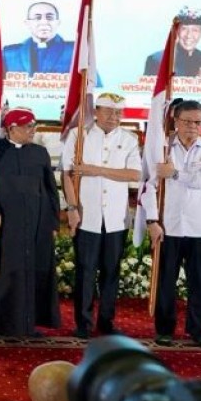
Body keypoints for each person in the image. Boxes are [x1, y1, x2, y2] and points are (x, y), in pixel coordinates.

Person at [141, 99, 201, 348]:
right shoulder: (162, 149)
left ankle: (197, 330)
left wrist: (177, 174)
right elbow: (149, 187)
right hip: (169, 226)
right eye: (186, 121)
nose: (192, 126)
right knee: (167, 281)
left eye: (197, 122)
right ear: (175, 121)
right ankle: (164, 330)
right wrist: (152, 220)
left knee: (199, 282)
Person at [0, 106, 60, 337]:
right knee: (6, 272)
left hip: (36, 224)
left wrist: (52, 223)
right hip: (3, 224)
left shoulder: (40, 153)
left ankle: (27, 323)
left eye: (33, 125)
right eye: (27, 126)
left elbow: (50, 191)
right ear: (11, 128)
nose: (33, 130)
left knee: (32, 272)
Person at [61, 93, 141, 339]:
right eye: (108, 111)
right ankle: (83, 324)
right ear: (96, 111)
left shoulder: (129, 139)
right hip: (88, 215)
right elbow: (68, 174)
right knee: (85, 271)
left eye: (118, 113)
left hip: (115, 217)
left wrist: (95, 170)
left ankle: (106, 322)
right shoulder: (78, 136)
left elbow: (134, 174)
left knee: (111, 270)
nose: (113, 117)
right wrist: (72, 208)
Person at [1, 2, 76, 75]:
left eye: (49, 18)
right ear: (27, 23)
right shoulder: (9, 53)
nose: (44, 22)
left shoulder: (74, 50)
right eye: (37, 18)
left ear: (58, 22)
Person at [143, 8, 201, 78]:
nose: (189, 35)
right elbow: (145, 91)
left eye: (195, 30)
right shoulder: (156, 60)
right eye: (184, 29)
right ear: (176, 31)